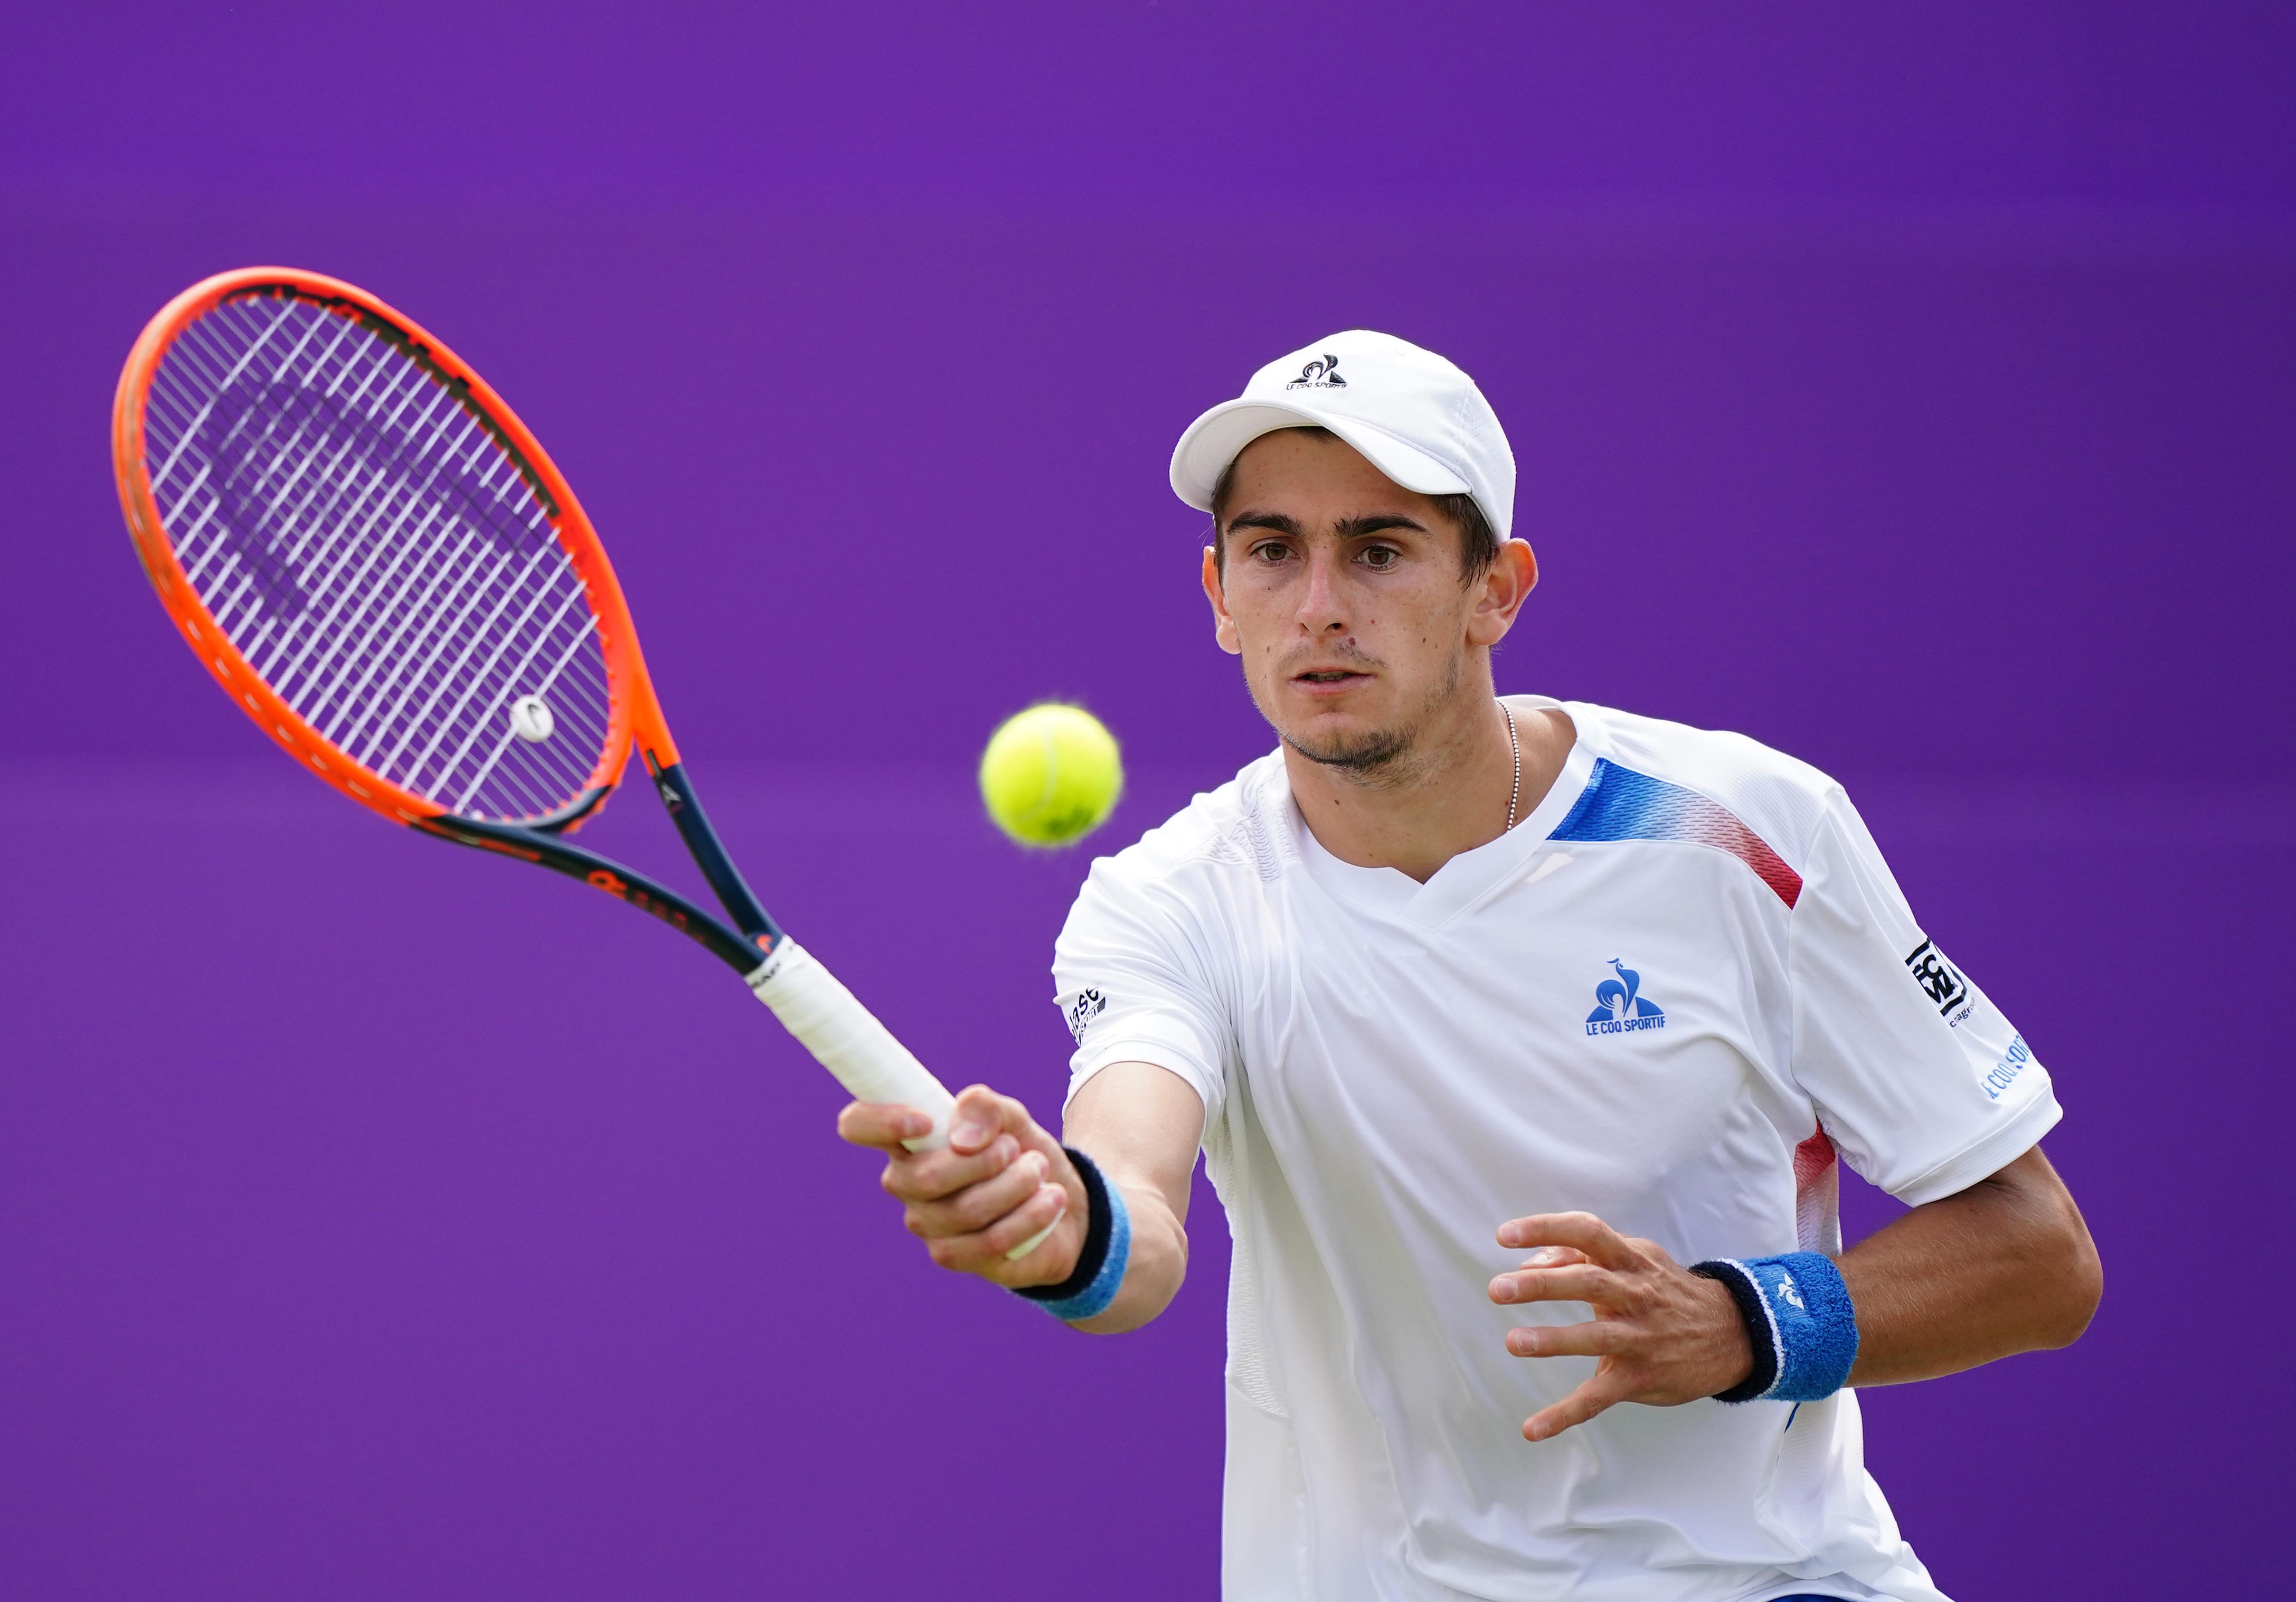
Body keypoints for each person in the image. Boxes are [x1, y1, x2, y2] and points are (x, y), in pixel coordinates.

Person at [838, 331, 2101, 1601]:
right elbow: (1134, 1214)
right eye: (1272, 551)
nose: (1319, 604)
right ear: (1218, 595)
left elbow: (2038, 1254)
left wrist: (1742, 1324)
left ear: (1495, 588)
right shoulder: (1170, 900)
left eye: (1378, 550)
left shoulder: (1742, 831)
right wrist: (1058, 1220)